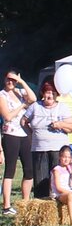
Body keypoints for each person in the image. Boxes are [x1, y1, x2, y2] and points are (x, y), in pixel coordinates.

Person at [22, 82, 72, 198]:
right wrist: (31, 135)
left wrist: (60, 124)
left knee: (58, 180)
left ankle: (59, 204)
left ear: (56, 95)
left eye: (52, 93)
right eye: (47, 92)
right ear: (42, 93)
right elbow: (23, 121)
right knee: (41, 181)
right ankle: (42, 207)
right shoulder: (35, 106)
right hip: (39, 149)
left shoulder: (63, 107)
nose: (50, 95)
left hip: (58, 149)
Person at [0, 69, 36, 215]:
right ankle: (7, 205)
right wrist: (22, 106)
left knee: (29, 170)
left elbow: (33, 98)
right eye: (9, 79)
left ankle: (25, 201)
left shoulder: (21, 92)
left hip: (25, 134)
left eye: (13, 80)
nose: (11, 82)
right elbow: (7, 116)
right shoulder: (1, 95)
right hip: (10, 134)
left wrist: (22, 82)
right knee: (10, 170)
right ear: (4, 79)